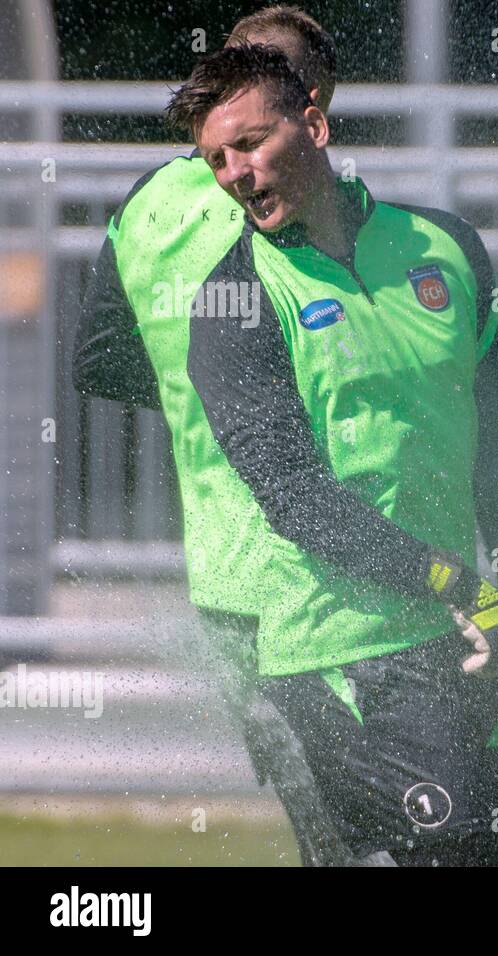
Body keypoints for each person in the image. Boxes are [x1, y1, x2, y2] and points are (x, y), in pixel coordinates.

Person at [164, 42, 498, 865]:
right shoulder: (233, 307)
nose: (234, 173)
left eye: (250, 144)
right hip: (333, 656)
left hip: (451, 643)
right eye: (216, 159)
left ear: (314, 123)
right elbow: (298, 502)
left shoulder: (447, 250)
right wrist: (465, 585)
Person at [74, 5, 358, 865]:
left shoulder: (147, 200)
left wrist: (212, 401)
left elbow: (95, 362)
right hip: (345, 572)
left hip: (229, 575)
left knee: (331, 832)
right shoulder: (313, 205)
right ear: (320, 101)